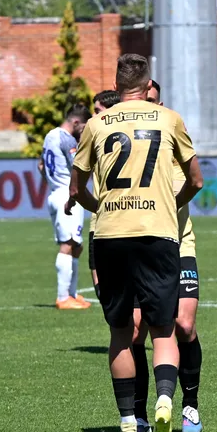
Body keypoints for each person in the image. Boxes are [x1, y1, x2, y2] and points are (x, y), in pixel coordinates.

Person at [68, 54, 203, 432]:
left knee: (122, 333)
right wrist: (170, 204)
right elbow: (196, 180)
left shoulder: (96, 124)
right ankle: (165, 402)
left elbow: (76, 190)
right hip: (157, 234)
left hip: (110, 237)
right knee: (163, 329)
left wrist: (102, 208)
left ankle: (129, 424)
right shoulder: (169, 119)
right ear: (147, 87)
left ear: (116, 86)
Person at [130, 80, 203, 432]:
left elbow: (194, 182)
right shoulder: (127, 147)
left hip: (178, 245)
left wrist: (166, 205)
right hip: (138, 249)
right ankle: (140, 413)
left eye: (154, 100)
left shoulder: (174, 137)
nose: (149, 106)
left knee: (184, 325)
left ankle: (190, 404)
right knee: (135, 330)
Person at [39, 104, 93, 310]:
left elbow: (41, 166)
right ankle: (63, 297)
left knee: (77, 245)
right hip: (66, 194)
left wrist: (53, 183)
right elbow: (77, 167)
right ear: (76, 122)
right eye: (83, 127)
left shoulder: (49, 136)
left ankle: (72, 294)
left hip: (55, 192)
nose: (84, 131)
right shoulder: (68, 139)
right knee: (69, 244)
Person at [88, 90, 122, 297]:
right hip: (102, 223)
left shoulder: (99, 138)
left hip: (109, 223)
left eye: (97, 111)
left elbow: (76, 186)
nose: (92, 116)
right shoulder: (95, 136)